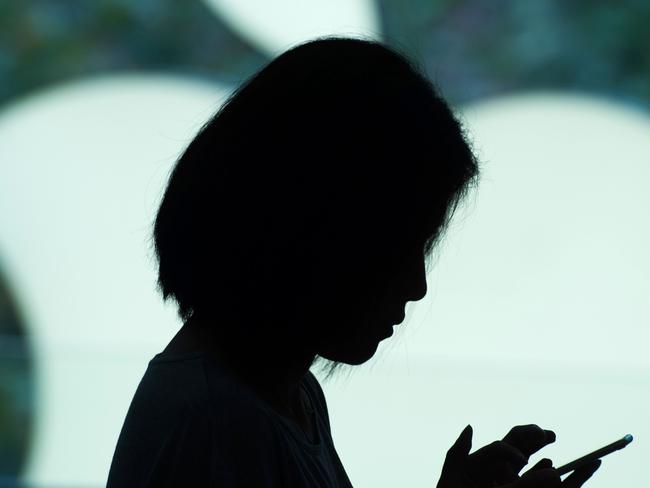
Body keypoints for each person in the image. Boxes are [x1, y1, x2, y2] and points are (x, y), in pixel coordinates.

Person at [106, 36, 601, 487]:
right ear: (319, 235)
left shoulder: (284, 394)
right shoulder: (219, 423)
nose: (416, 286)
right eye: (398, 248)